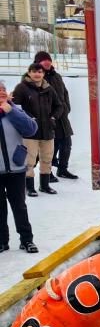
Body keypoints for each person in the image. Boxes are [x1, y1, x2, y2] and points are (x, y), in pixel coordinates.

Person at [13, 62, 63, 197]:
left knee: (47, 159)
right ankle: (29, 187)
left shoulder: (49, 88)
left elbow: (59, 106)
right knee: (29, 160)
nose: (37, 74)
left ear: (43, 74)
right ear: (29, 72)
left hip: (47, 131)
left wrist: (53, 118)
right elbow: (16, 106)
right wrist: (28, 118)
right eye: (34, 71)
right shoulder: (22, 88)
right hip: (30, 132)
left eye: (40, 72)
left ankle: (45, 185)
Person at [0, 82, 39, 253]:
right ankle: (2, 241)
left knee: (19, 205)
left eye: (2, 92)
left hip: (16, 168)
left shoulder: (15, 110)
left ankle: (26, 240)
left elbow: (31, 129)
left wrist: (10, 110)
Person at [35, 51, 75, 180]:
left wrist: (66, 108)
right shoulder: (36, 76)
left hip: (62, 117)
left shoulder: (56, 76)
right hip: (48, 119)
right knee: (50, 147)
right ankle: (47, 173)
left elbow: (65, 93)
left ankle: (63, 169)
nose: (47, 62)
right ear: (38, 62)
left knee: (67, 144)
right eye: (43, 60)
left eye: (49, 60)